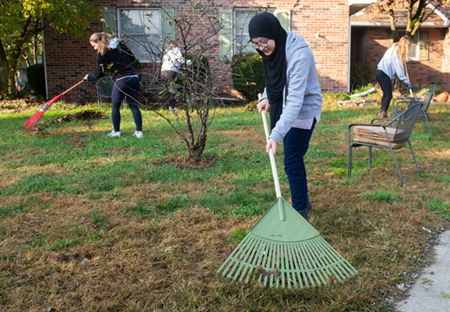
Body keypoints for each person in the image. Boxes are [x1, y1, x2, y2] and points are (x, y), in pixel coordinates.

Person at [249, 13, 323, 222]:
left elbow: (295, 101)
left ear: (274, 33)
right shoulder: (277, 48)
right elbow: (276, 76)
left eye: (263, 41)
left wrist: (275, 135)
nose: (261, 47)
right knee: (294, 158)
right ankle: (304, 200)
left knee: (291, 160)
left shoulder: (299, 55)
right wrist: (266, 96)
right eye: (256, 43)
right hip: (286, 105)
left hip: (304, 109)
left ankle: (300, 213)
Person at [84, 32, 143, 138]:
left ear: (98, 41)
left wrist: (88, 77)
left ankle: (116, 132)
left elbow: (99, 73)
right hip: (135, 78)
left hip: (122, 80)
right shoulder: (121, 45)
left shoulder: (102, 53)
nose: (94, 48)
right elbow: (133, 59)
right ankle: (139, 132)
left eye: (94, 45)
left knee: (115, 105)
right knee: (134, 106)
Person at [376, 35, 413, 118]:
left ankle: (381, 112)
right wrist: (406, 81)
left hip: (379, 72)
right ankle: (383, 114)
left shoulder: (393, 48)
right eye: (409, 46)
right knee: (389, 95)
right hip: (383, 74)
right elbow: (400, 71)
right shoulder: (397, 54)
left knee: (386, 94)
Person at [160, 40, 190, 110]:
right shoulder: (176, 50)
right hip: (171, 71)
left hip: (163, 71)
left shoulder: (166, 52)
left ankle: (169, 105)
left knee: (169, 88)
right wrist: (188, 61)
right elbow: (180, 59)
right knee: (173, 89)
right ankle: (172, 106)